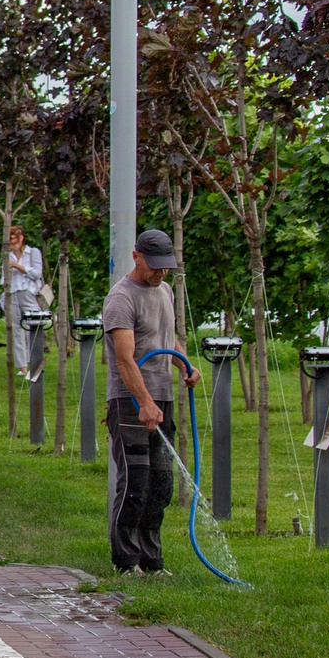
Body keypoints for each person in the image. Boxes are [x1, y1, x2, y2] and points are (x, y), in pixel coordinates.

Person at [103, 228, 182, 575]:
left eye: (166, 266)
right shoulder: (121, 298)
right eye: (154, 265)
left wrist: (184, 363)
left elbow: (165, 335)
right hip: (130, 402)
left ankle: (153, 561)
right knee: (135, 482)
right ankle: (126, 561)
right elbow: (125, 359)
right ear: (136, 257)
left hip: (162, 397)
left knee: (161, 484)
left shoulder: (165, 290)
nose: (160, 272)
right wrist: (145, 402)